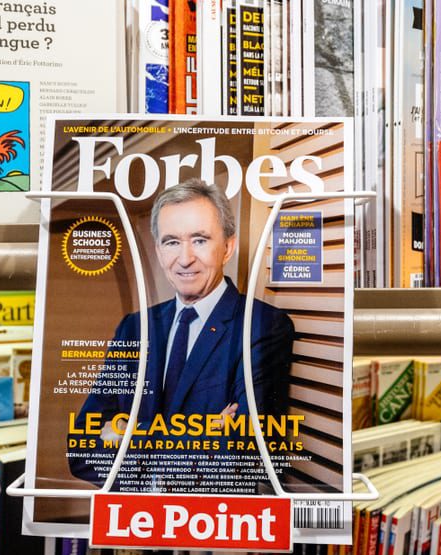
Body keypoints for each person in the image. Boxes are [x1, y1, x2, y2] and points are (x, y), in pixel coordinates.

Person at [68, 179, 296, 487]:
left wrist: (122, 432)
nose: (185, 258)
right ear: (159, 251)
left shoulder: (261, 325)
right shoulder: (134, 327)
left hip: (215, 516)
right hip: (134, 516)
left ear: (228, 247)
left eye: (200, 240)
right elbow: (82, 449)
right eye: (172, 242)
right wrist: (205, 434)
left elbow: (244, 450)